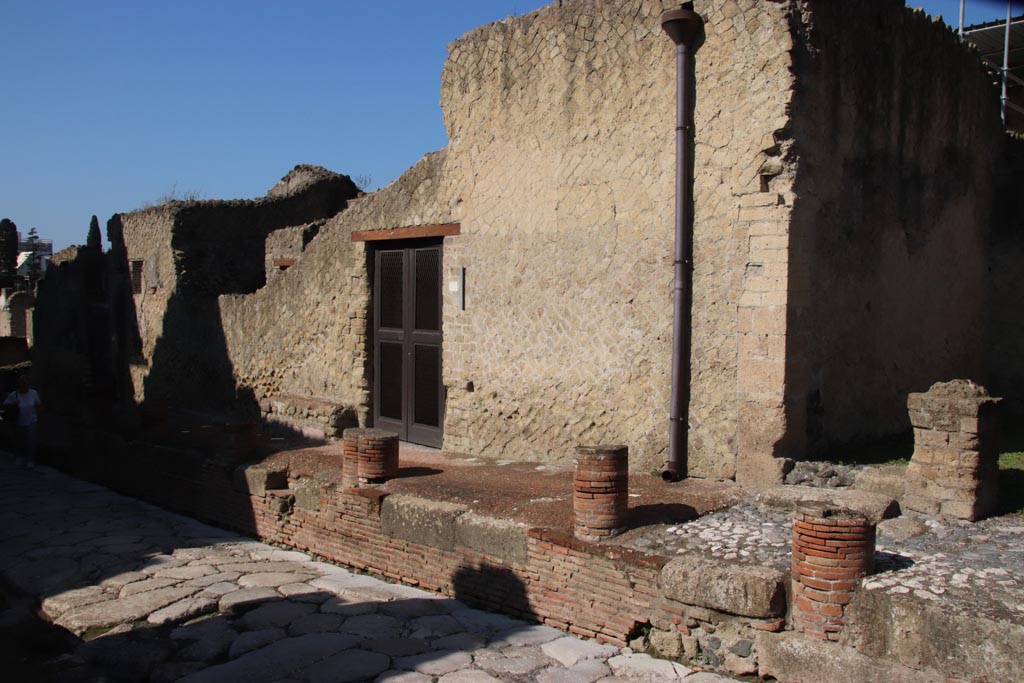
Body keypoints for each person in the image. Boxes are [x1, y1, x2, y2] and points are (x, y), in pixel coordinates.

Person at [4, 375, 41, 468]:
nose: (23, 385)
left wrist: (37, 416)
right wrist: (13, 404)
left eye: (25, 383)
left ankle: (30, 459)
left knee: (31, 441)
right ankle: (19, 457)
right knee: (18, 441)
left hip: (31, 420)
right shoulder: (14, 394)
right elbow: (5, 405)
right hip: (18, 421)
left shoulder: (34, 393)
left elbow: (38, 404)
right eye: (22, 383)